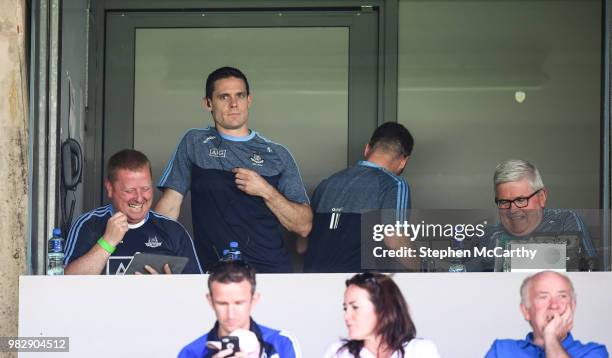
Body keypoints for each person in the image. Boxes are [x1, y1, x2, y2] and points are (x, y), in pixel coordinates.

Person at [155, 66, 311, 273]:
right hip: (214, 274)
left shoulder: (277, 154)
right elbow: (170, 207)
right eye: (224, 97)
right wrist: (152, 256)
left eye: (240, 95)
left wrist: (265, 190)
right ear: (208, 103)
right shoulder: (195, 143)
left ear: (249, 100)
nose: (234, 104)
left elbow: (303, 225)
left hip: (271, 273)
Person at [64, 149, 202, 275]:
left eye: (146, 188)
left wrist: (168, 288)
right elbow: (64, 284)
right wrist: (107, 242)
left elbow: (198, 291)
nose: (139, 198)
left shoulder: (173, 231)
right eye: (130, 191)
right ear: (109, 188)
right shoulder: (89, 224)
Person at [304, 122, 413, 272]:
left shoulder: (326, 184)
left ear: (367, 148)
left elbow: (301, 246)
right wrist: (424, 266)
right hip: (357, 285)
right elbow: (395, 241)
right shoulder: (394, 184)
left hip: (311, 282)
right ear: (403, 161)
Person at [466, 159, 597, 271]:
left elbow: (588, 271)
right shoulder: (490, 235)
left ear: (541, 197)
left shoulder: (565, 221)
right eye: (504, 202)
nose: (513, 210)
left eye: (521, 200)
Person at [178, 260, 301, 357]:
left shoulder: (282, 343)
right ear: (210, 301)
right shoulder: (191, 353)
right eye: (222, 303)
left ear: (254, 300)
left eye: (239, 303)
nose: (231, 314)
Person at [485, 271, 608, 357]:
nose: (554, 305)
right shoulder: (501, 350)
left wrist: (551, 337)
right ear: (526, 311)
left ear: (573, 306)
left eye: (562, 296)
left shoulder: (594, 352)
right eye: (543, 297)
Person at [323, 273, 440, 358]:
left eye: (355, 307)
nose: (346, 316)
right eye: (345, 308)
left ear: (383, 308)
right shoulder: (337, 353)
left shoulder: (421, 351)